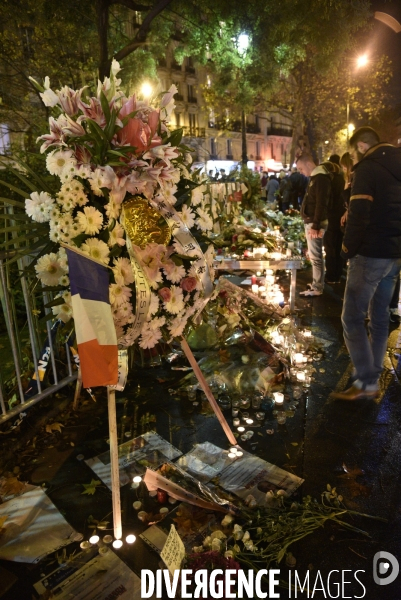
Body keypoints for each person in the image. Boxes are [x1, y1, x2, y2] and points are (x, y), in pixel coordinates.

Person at [330, 126, 401, 401]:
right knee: (380, 317)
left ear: (361, 146)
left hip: (370, 254)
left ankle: (367, 381)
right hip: (394, 254)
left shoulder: (368, 169)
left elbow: (359, 214)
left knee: (352, 318)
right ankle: (371, 378)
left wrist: (346, 249)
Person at [297, 153, 332, 296]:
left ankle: (317, 287)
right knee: (314, 255)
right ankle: (316, 283)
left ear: (307, 164)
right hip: (312, 221)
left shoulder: (320, 179)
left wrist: (315, 225)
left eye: (300, 168)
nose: (300, 172)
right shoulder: (316, 178)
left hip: (314, 223)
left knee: (316, 256)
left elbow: (321, 203)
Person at [322, 160, 345, 284]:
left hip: (331, 218)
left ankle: (331, 276)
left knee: (330, 247)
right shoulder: (343, 179)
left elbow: (327, 200)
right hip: (341, 217)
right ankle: (338, 274)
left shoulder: (328, 181)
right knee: (339, 246)